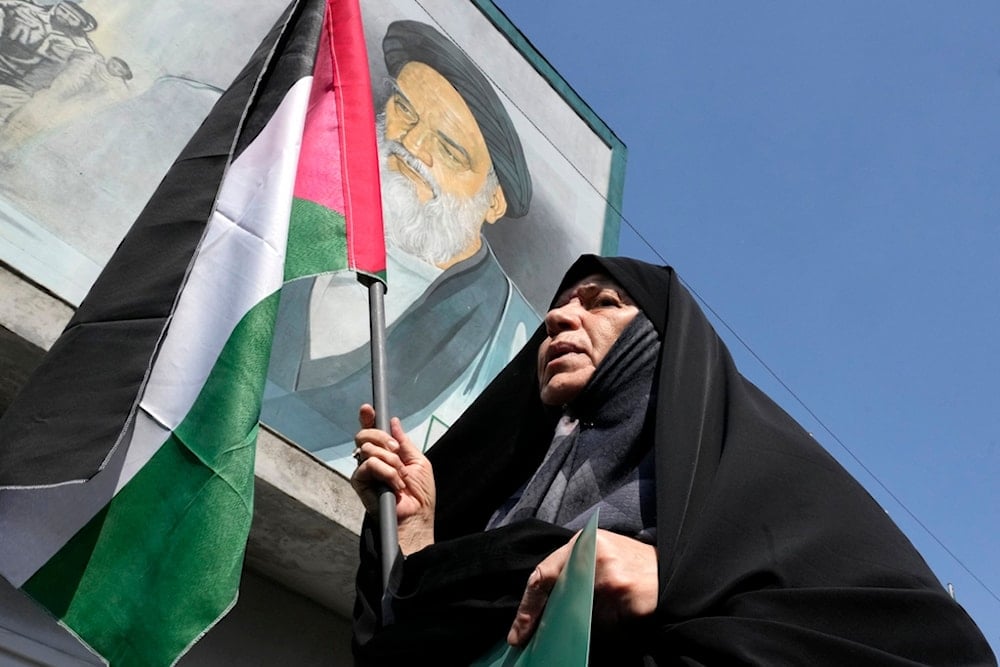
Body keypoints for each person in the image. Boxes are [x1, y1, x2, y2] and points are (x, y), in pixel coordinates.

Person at [350, 255, 996, 665]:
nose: (558, 316)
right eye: (559, 306)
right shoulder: (514, 483)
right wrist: (416, 530)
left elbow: (927, 646)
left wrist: (680, 583)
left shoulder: (761, 474)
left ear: (662, 342)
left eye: (601, 301)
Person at [262, 20, 538, 468]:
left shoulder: (518, 344)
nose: (408, 144)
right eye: (404, 110)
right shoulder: (287, 201)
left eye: (449, 150)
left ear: (494, 202)